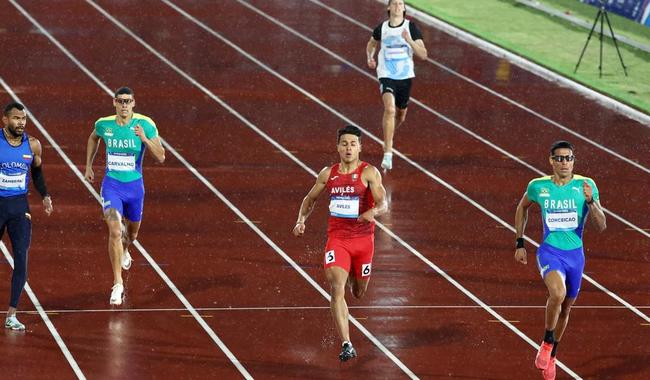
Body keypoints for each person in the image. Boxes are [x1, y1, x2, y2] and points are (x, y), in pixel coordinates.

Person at [293, 125, 388, 361]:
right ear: (337, 147)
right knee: (336, 289)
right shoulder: (329, 173)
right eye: (344, 143)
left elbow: (384, 204)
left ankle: (354, 280)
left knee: (358, 292)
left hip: (364, 241)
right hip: (338, 240)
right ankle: (347, 343)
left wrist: (373, 213)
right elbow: (310, 198)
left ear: (360, 148)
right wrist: (300, 220)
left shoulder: (369, 173)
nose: (348, 148)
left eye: (353, 144)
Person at [514, 141, 606, 379]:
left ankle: (553, 354)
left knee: (565, 309)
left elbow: (601, 225)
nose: (564, 162)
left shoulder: (586, 186)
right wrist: (520, 242)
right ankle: (546, 342)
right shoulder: (538, 186)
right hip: (549, 251)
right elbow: (522, 207)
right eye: (560, 158)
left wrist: (590, 201)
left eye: (569, 158)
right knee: (557, 293)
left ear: (574, 160)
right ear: (551, 161)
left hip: (575, 256)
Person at [84, 87, 165, 306]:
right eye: (120, 101)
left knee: (132, 234)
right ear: (114, 103)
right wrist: (88, 166)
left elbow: (161, 156)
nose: (124, 105)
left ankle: (126, 249)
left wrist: (144, 139)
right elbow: (93, 138)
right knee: (114, 229)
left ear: (133, 103)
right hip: (112, 187)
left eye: (127, 101)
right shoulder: (104, 124)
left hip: (135, 189)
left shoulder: (145, 124)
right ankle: (117, 283)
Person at [1, 102, 53, 330]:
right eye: (16, 118)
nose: (20, 122)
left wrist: (45, 195)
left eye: (23, 118)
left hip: (19, 208)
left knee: (21, 260)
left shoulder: (33, 145)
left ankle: (11, 314)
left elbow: (37, 172)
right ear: (5, 120)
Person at [366, 0, 427, 171]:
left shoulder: (411, 28)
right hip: (386, 75)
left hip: (405, 77)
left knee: (400, 115)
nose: (398, 6)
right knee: (390, 110)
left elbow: (423, 54)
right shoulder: (382, 28)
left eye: (401, 4)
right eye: (395, 3)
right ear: (388, 7)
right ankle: (388, 153)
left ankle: (388, 135)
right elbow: (371, 43)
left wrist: (410, 40)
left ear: (405, 8)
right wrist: (369, 57)